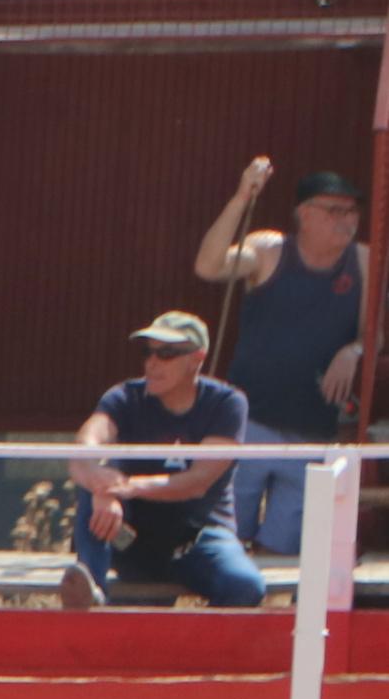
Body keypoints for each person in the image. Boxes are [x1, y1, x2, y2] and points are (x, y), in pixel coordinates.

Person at [198, 160, 370, 561]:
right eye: (335, 211)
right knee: (223, 542)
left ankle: (272, 624)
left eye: (352, 212)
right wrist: (243, 197)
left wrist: (354, 349)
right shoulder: (269, 250)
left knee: (283, 554)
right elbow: (208, 267)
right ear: (304, 215)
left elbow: (372, 332)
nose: (347, 221)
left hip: (315, 432)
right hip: (248, 426)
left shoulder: (365, 262)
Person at [59, 309, 265, 611]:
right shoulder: (124, 396)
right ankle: (91, 594)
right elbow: (84, 448)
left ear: (197, 358)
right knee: (92, 492)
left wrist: (124, 487)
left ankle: (196, 650)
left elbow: (197, 482)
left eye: (166, 353)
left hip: (198, 538)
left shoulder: (227, 403)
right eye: (148, 352)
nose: (152, 362)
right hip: (130, 538)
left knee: (246, 587)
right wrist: (101, 487)